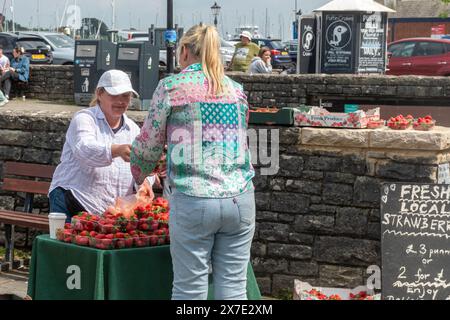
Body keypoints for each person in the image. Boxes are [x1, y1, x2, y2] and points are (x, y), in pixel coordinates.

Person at [131, 24, 256, 300]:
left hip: (194, 197)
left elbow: (148, 144)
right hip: (240, 199)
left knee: (189, 290)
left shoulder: (171, 87)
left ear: (185, 51)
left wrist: (140, 172)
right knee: (234, 291)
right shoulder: (236, 91)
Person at [49, 70, 155, 222]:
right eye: (114, 95)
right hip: (72, 199)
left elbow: (141, 166)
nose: (120, 101)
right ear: (99, 94)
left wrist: (145, 182)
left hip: (110, 212)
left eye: (125, 96)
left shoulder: (133, 130)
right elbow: (84, 149)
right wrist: (116, 150)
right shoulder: (84, 118)